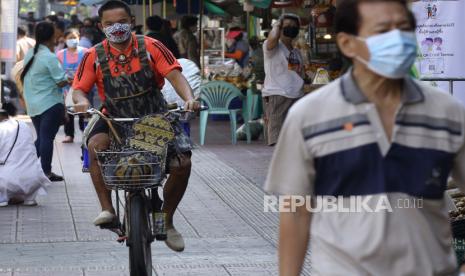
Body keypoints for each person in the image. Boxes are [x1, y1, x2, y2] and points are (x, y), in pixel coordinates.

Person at [264, 0, 465, 275]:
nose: (398, 40)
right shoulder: (309, 116)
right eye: (383, 31)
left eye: (405, 29)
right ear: (347, 43)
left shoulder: (448, 112)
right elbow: (296, 211)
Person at [72, 0, 200, 252]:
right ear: (101, 26)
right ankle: (107, 209)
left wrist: (189, 98)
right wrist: (81, 102)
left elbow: (175, 76)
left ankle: (167, 219)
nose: (116, 27)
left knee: (182, 163)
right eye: (109, 24)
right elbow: (78, 90)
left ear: (131, 22)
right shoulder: (92, 56)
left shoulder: (152, 46)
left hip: (154, 118)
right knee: (95, 146)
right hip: (113, 120)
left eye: (121, 22)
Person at [21, 21, 69, 182]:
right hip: (49, 103)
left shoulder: (31, 54)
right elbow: (60, 81)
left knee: (42, 138)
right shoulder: (49, 57)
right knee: (46, 138)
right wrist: (71, 78)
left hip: (34, 103)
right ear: (51, 37)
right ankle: (46, 171)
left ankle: (23, 167)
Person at [262, 13, 304, 146]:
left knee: (293, 138)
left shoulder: (296, 51)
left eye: (294, 26)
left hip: (296, 96)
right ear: (279, 29)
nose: (291, 28)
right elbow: (273, 38)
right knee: (278, 139)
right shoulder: (272, 47)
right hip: (278, 95)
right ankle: (279, 165)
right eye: (287, 26)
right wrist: (277, 25)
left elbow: (297, 73)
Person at [0, 100, 50, 207]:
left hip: (7, 181)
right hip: (34, 180)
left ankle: (3, 198)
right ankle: (29, 199)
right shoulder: (23, 125)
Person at [57, 28, 88, 143]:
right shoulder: (60, 54)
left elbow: (89, 68)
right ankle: (69, 135)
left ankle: (86, 133)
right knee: (69, 112)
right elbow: (58, 71)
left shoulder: (86, 52)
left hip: (83, 87)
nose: (73, 40)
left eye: (75, 37)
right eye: (70, 38)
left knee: (84, 111)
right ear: (64, 40)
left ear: (79, 38)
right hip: (67, 88)